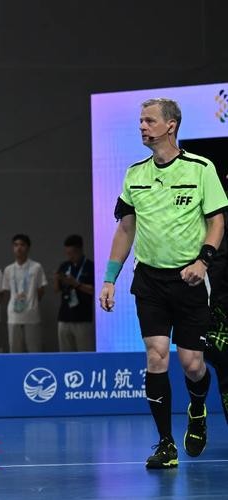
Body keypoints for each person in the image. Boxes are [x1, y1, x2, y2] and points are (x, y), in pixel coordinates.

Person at [99, 97, 227, 469]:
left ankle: (198, 408)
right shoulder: (134, 174)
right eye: (140, 120)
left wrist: (203, 261)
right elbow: (125, 229)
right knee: (156, 356)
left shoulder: (201, 168)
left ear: (170, 125)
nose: (142, 126)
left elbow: (217, 222)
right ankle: (166, 445)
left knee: (192, 364)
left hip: (189, 280)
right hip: (149, 280)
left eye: (149, 120)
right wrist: (109, 279)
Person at [3, 234, 47, 352]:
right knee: (14, 351)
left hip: (31, 315)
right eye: (16, 245)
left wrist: (31, 303)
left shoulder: (36, 267)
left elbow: (41, 290)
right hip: (14, 316)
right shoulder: (8, 269)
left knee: (34, 350)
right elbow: (6, 292)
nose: (19, 248)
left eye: (22, 245)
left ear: (28, 247)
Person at [54, 234, 95, 351]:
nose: (70, 256)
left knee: (84, 352)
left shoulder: (90, 266)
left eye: (72, 253)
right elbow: (56, 290)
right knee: (65, 353)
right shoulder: (64, 266)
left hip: (82, 318)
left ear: (80, 250)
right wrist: (56, 279)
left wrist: (76, 283)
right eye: (67, 253)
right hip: (64, 316)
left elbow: (93, 290)